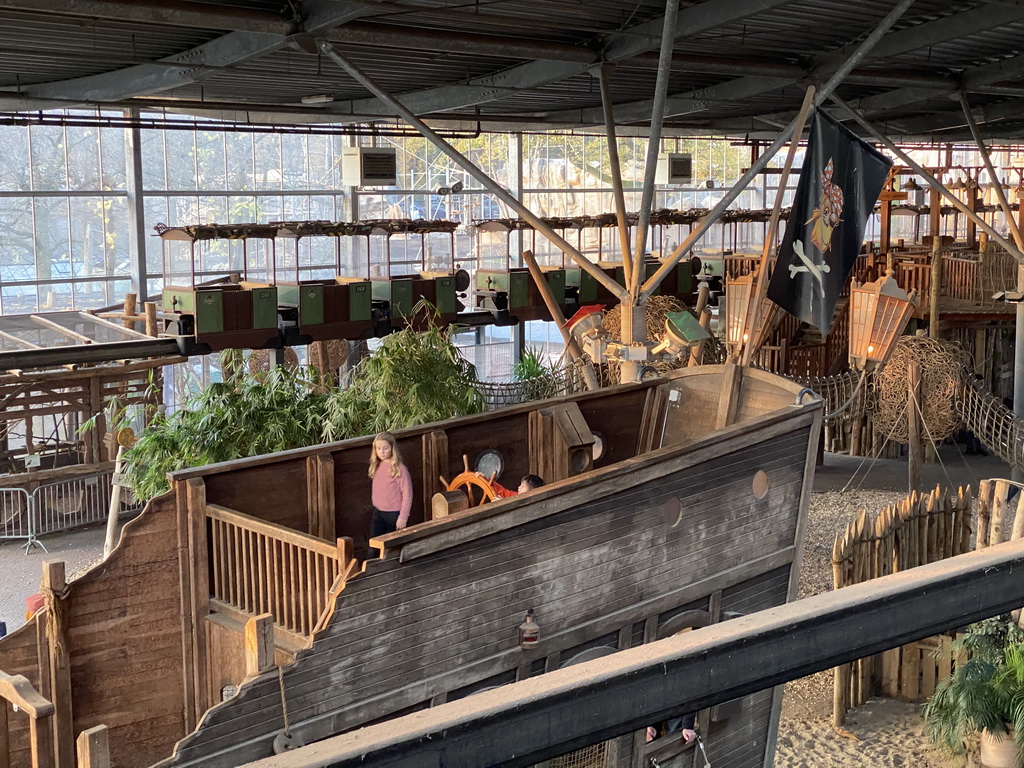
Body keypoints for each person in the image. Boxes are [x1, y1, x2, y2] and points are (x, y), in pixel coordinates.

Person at [368, 432, 413, 540]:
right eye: (378, 449)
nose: (382, 452)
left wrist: (403, 517)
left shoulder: (399, 469)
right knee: (373, 544)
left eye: (385, 448)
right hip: (378, 512)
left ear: (392, 448)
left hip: (393, 514)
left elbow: (407, 494)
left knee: (390, 547)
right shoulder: (376, 466)